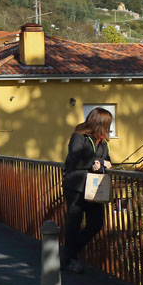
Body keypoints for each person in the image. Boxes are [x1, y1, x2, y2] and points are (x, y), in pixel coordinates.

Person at [60, 107, 113, 273]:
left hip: (94, 187)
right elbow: (75, 157)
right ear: (99, 124)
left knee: (96, 223)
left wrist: (107, 163)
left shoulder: (102, 141)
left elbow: (106, 160)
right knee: (74, 222)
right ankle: (68, 259)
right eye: (108, 124)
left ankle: (68, 253)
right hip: (76, 185)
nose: (109, 128)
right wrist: (95, 162)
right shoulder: (79, 136)